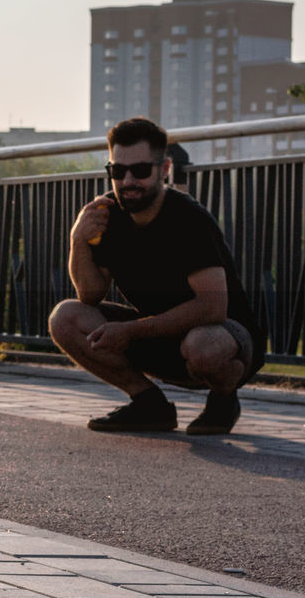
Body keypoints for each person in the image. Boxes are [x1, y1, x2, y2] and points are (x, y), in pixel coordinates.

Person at [48, 117, 266, 435]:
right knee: (65, 317)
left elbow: (212, 308)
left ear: (164, 169)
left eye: (140, 171)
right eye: (117, 172)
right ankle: (149, 404)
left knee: (202, 345)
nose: (128, 181)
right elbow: (90, 296)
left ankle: (223, 399)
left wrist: (131, 331)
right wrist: (78, 240)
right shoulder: (111, 215)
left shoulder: (188, 219)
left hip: (222, 339)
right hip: (161, 336)